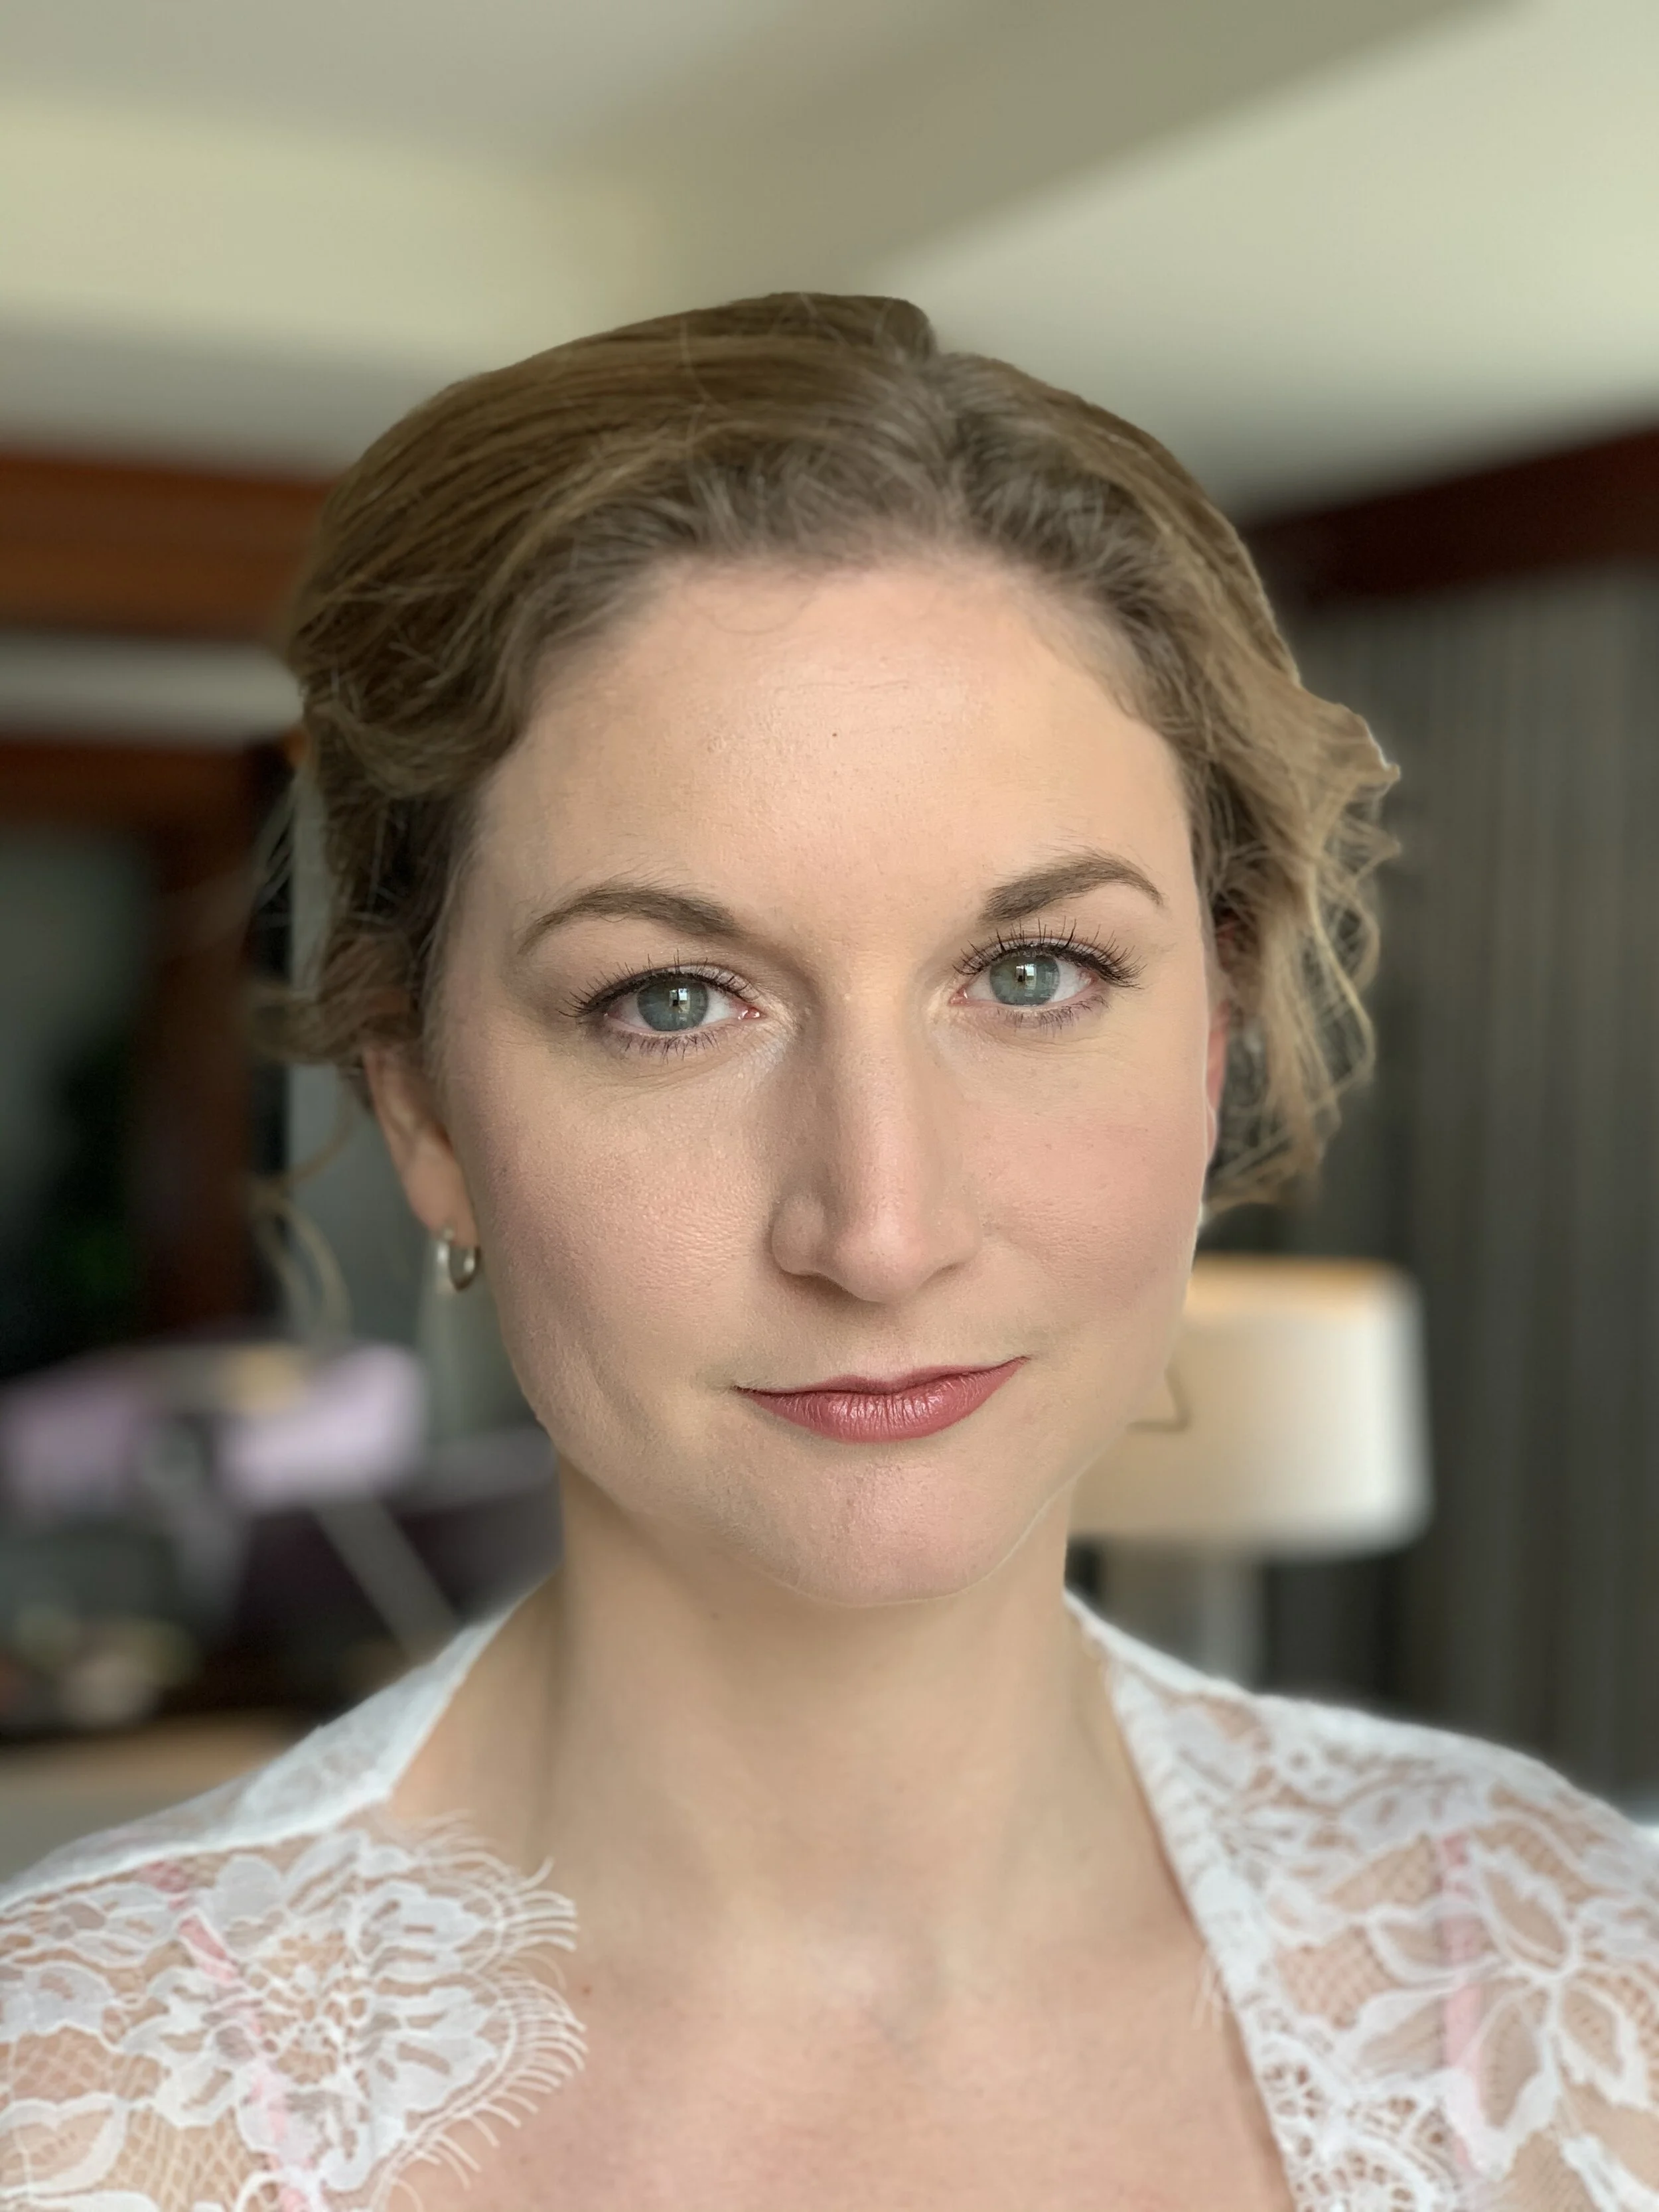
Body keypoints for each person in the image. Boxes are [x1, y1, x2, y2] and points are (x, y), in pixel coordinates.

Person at [2, 293, 1655, 2212]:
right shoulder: (69, 2114)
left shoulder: (1572, 1982)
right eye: (673, 1000)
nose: (879, 1228)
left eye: (1031, 974)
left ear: (1209, 1051)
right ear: (425, 1111)